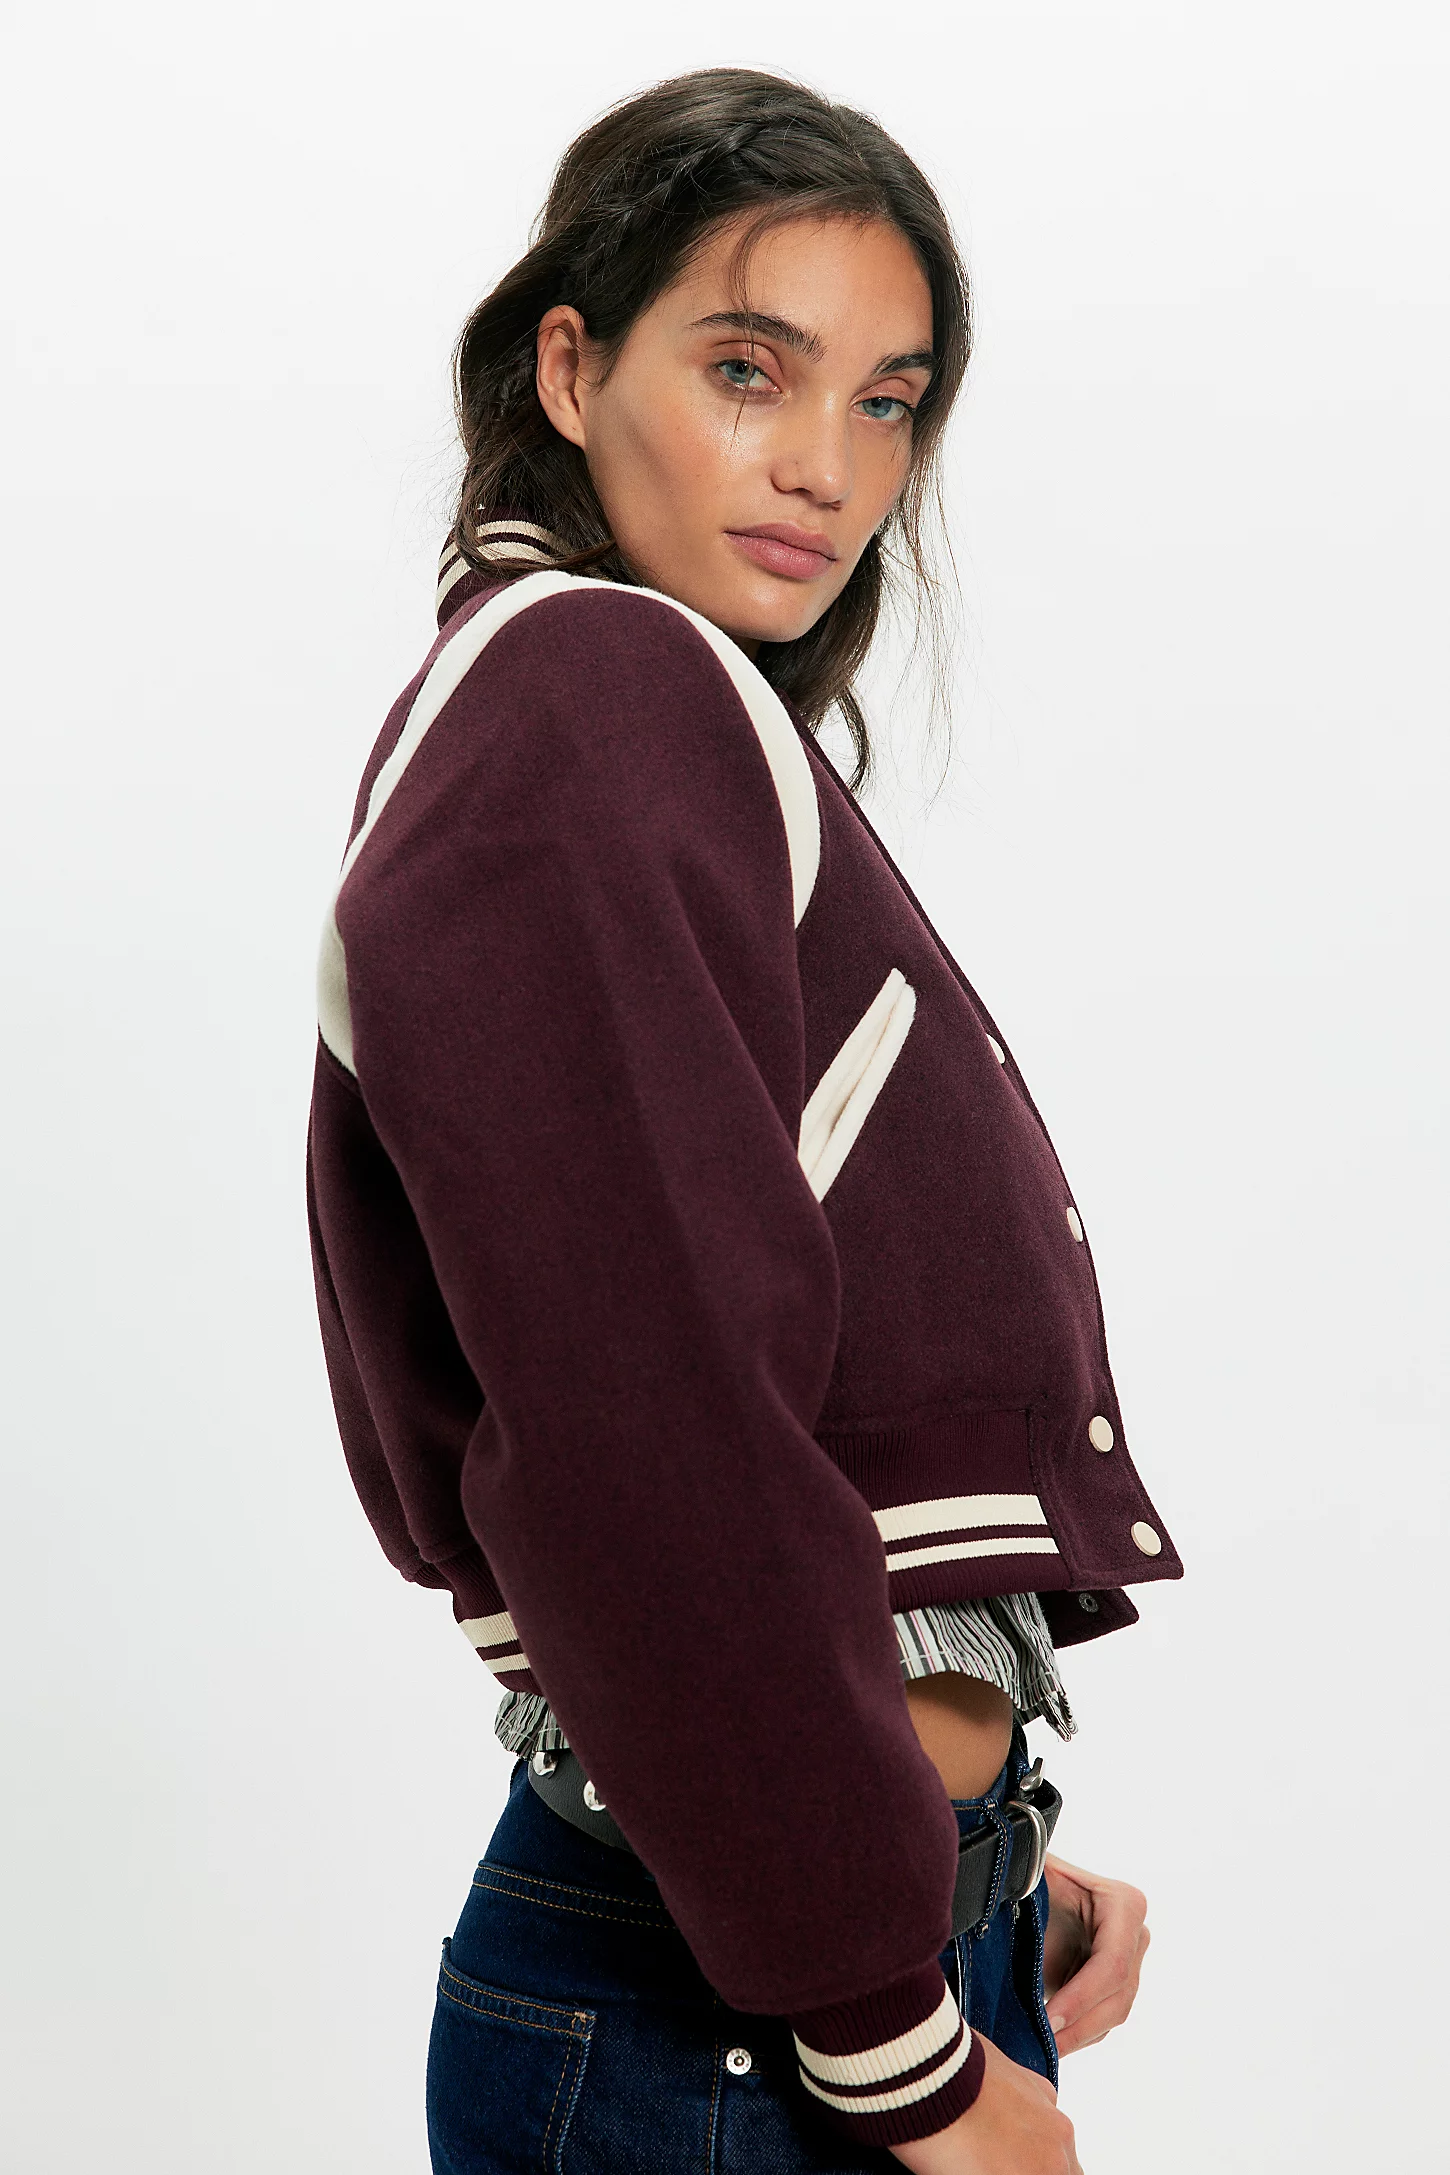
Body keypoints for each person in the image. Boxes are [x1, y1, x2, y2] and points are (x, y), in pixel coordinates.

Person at [306, 65, 1180, 2175]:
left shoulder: (625, 713)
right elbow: (647, 1433)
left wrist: (963, 1857)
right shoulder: (585, 698)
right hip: (737, 2031)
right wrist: (894, 2039)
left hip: (789, 1959)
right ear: (569, 367)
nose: (824, 466)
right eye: (744, 369)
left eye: (887, 402)